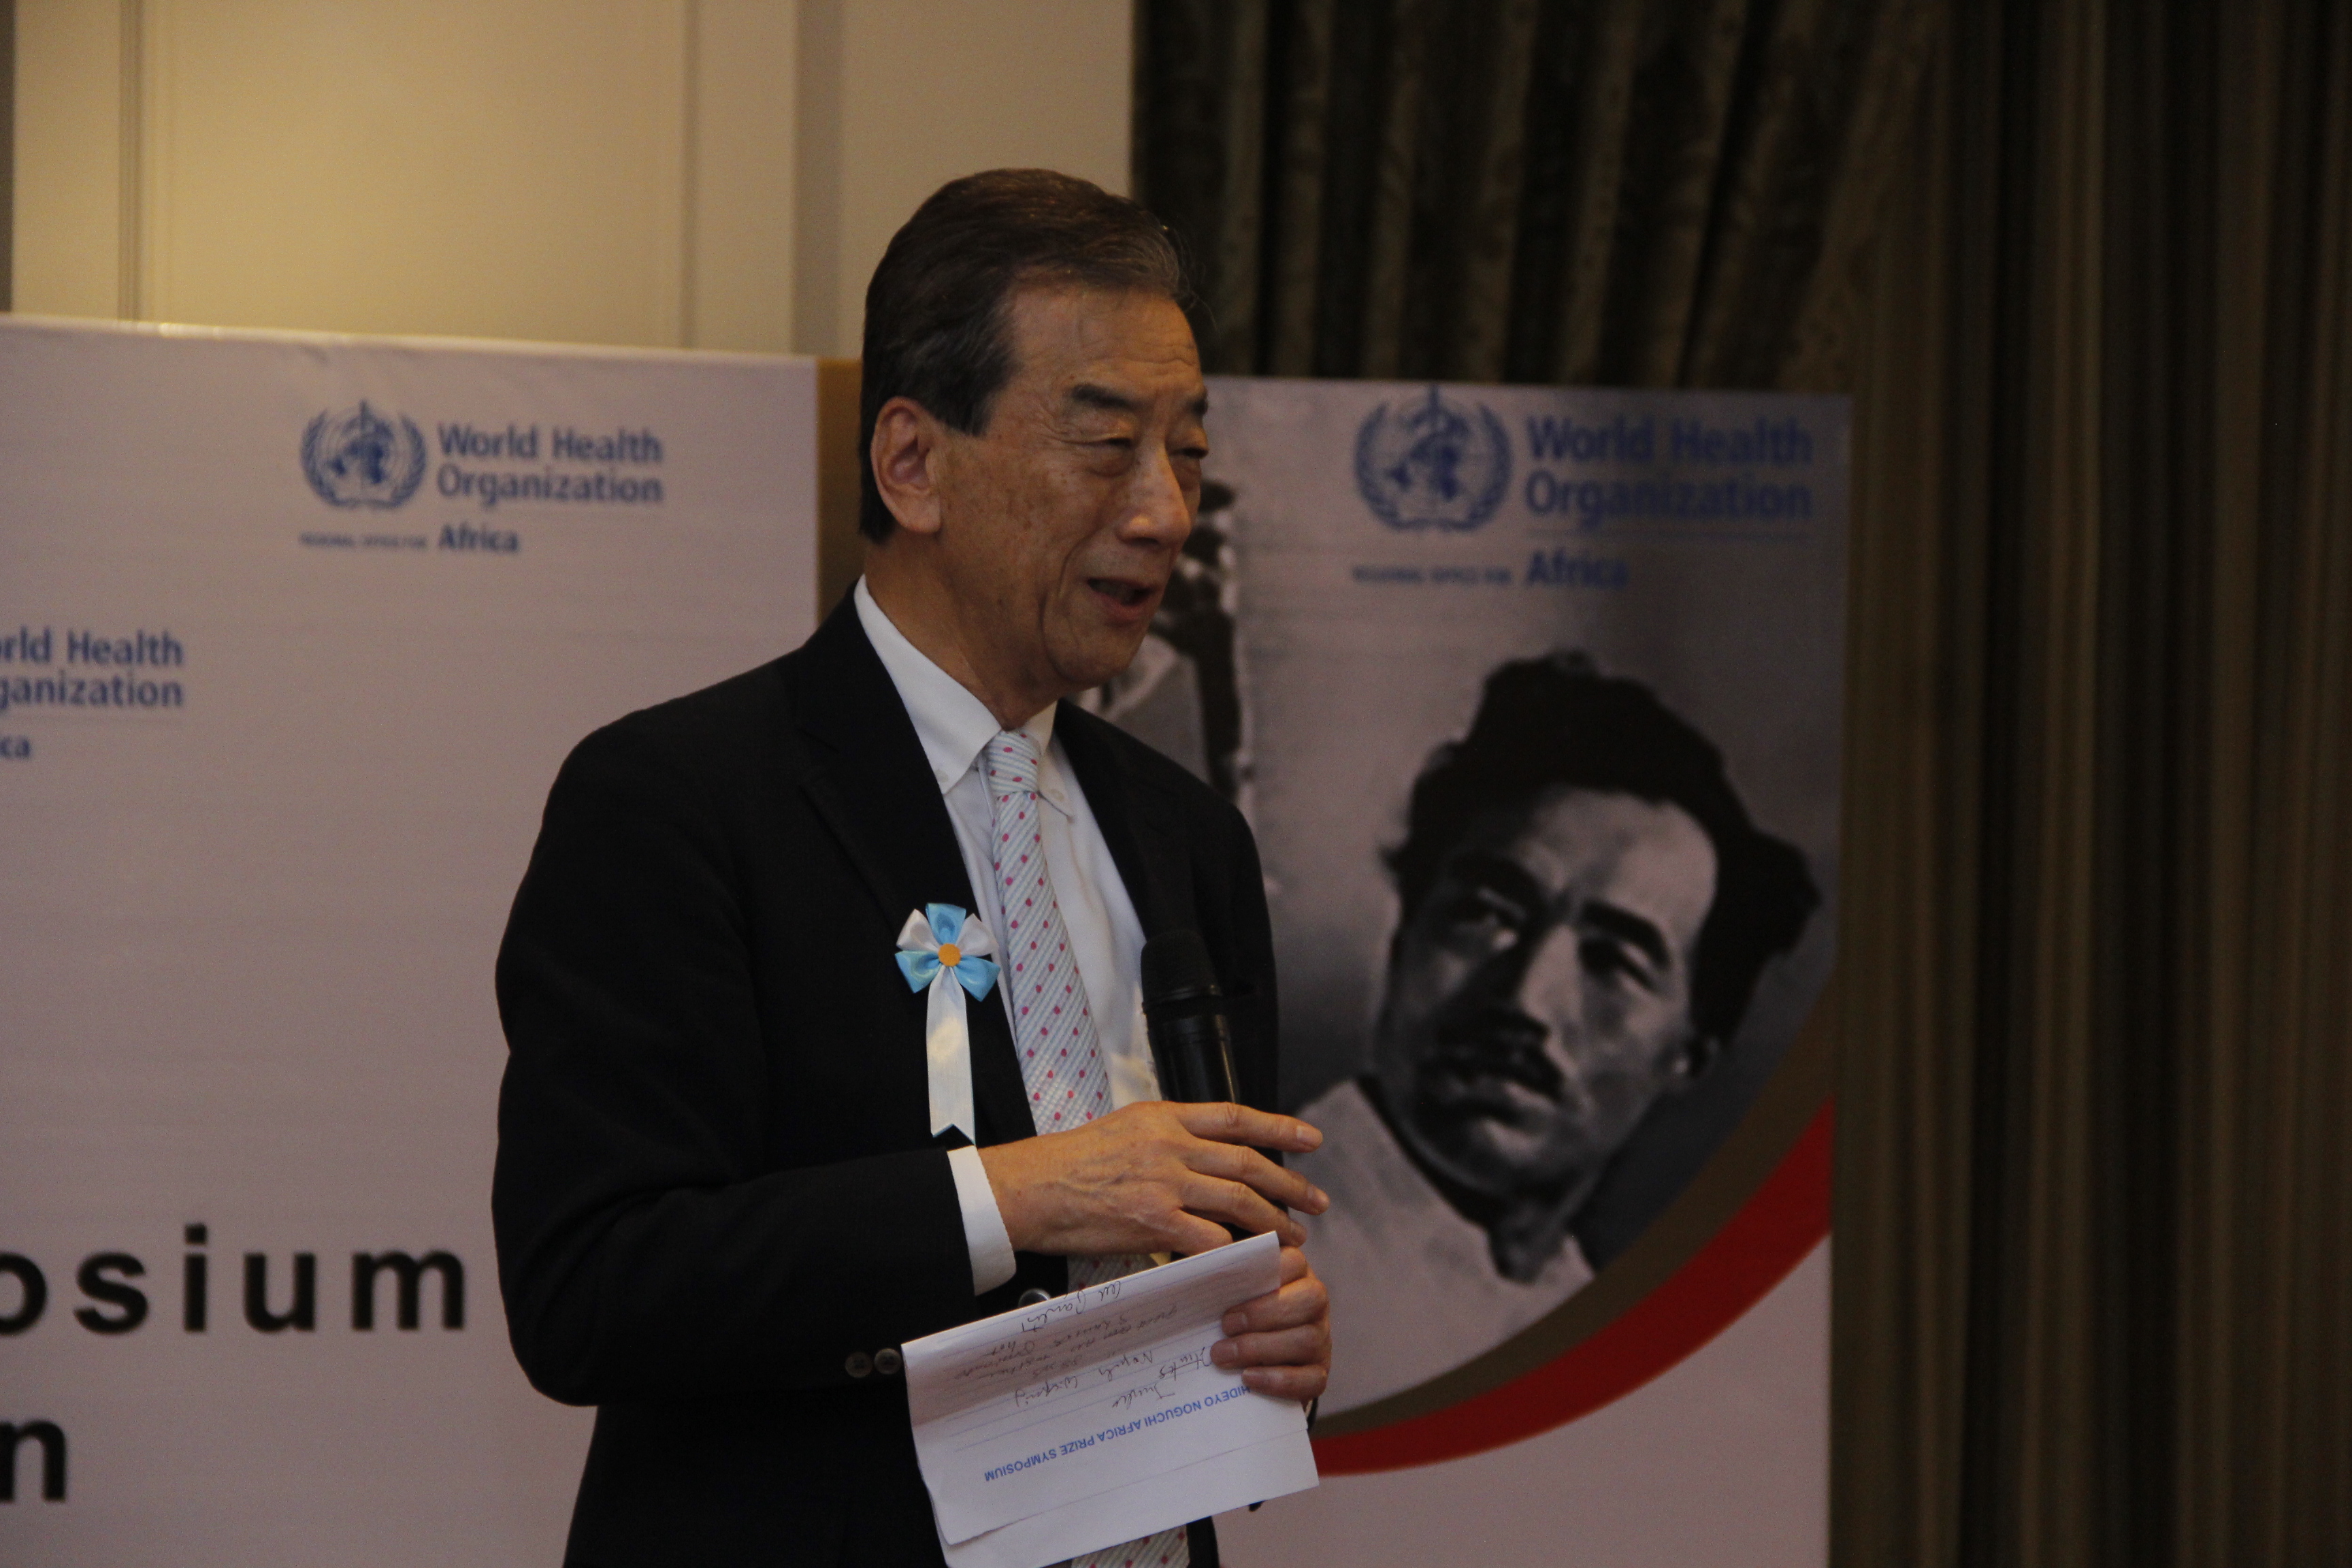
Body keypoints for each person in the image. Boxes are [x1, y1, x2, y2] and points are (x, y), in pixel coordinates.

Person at [492, 169, 1332, 1567]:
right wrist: (1018, 1194)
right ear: (913, 464)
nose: (1164, 511)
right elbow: (592, 1287)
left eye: (1186, 452)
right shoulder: (680, 800)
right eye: (1105, 444)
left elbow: (1217, 1250)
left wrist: (1267, 1343)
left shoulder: (1189, 838)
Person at [1292, 652, 1816, 1412]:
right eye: (1485, 915)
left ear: (1690, 1052)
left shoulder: (1614, 1346)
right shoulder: (1237, 1263)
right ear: (1403, 934)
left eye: (1612, 961)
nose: (1526, 1000)